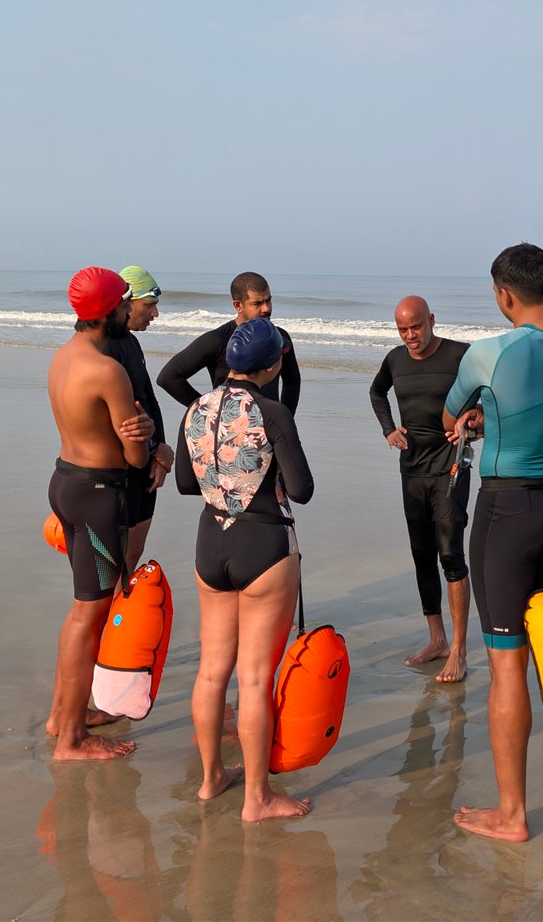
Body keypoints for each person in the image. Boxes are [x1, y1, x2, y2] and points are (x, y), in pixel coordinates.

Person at [441, 244, 543, 842]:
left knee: (509, 667)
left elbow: (451, 417)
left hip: (507, 511)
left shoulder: (488, 352)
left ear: (503, 295)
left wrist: (476, 419)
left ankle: (512, 816)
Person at [176, 317, 315, 821]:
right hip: (262, 544)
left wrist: (226, 477)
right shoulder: (272, 410)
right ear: (272, 363)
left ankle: (212, 778)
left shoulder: (196, 407)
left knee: (212, 671)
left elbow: (186, 487)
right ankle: (257, 797)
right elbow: (301, 489)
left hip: (210, 542)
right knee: (254, 678)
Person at [43, 267, 155, 761]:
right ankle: (70, 737)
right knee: (87, 614)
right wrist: (147, 434)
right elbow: (133, 456)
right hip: (98, 493)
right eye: (124, 303)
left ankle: (65, 715)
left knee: (83, 610)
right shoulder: (108, 370)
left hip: (66, 482)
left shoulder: (63, 358)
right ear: (112, 309)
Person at [369, 295, 472, 683]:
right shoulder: (394, 360)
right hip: (411, 469)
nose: (410, 335)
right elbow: (377, 392)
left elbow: (489, 395)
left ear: (431, 319)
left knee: (450, 554)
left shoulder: (461, 355)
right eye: (402, 329)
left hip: (450, 466)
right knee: (421, 555)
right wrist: (388, 430)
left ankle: (459, 650)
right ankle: (437, 640)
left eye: (415, 326)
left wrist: (472, 423)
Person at [102, 265, 175, 568]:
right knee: (116, 562)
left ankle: (125, 613)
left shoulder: (130, 342)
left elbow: (147, 399)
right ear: (126, 303)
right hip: (120, 466)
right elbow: (119, 419)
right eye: (150, 305)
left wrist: (159, 453)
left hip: (144, 460)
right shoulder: (105, 348)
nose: (155, 314)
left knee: (132, 555)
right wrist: (156, 449)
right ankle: (112, 615)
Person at [158, 272, 301, 414]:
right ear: (238, 306)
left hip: (269, 430)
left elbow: (292, 381)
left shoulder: (279, 337)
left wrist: (286, 416)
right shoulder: (217, 340)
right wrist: (208, 410)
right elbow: (168, 378)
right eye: (257, 303)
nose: (267, 309)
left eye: (268, 300)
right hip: (230, 431)